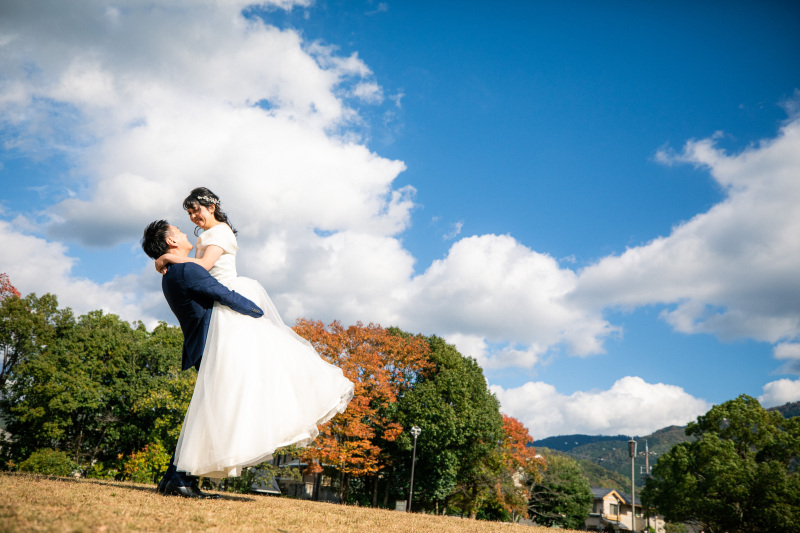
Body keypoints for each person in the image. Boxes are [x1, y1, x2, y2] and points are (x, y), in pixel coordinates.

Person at [153, 187, 354, 482]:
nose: (194, 216)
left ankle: (185, 472)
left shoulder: (220, 233)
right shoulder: (200, 240)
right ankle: (182, 474)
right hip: (219, 306)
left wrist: (166, 259)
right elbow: (202, 273)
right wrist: (168, 259)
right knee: (222, 392)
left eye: (197, 209)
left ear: (211, 206)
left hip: (230, 299)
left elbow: (206, 268)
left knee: (235, 387)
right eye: (189, 213)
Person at [141, 220, 265, 498]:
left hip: (203, 347)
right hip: (211, 347)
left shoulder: (173, 272)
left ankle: (173, 478)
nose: (185, 232)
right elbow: (225, 295)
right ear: (172, 241)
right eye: (179, 231)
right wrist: (261, 314)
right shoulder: (186, 270)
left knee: (208, 410)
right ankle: (180, 479)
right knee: (212, 412)